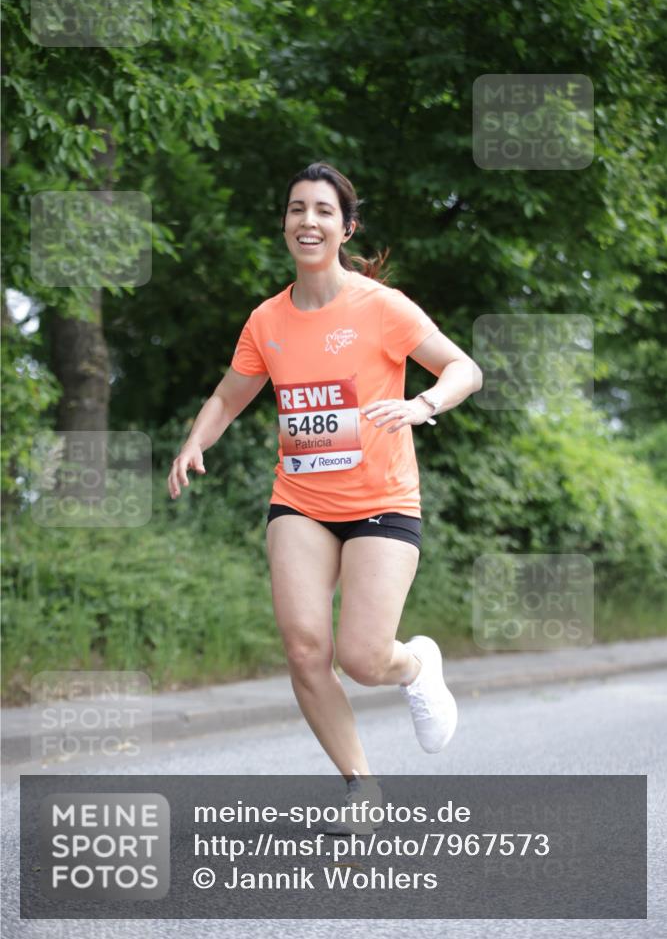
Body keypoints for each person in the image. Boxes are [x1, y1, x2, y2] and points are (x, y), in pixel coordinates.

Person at [168, 161, 483, 833]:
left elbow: (464, 368)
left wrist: (422, 404)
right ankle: (360, 788)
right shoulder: (266, 320)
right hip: (301, 501)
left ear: (345, 228)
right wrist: (196, 440)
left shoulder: (380, 308)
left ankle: (415, 663)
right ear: (284, 223)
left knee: (363, 659)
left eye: (322, 211)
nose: (306, 221)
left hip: (382, 501)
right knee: (306, 649)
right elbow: (231, 393)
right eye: (295, 210)